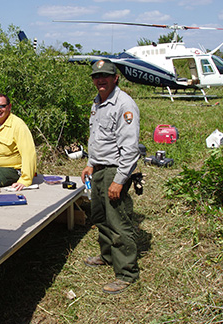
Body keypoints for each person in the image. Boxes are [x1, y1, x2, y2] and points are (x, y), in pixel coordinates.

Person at [80, 59, 141, 294]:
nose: (100, 80)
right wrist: (90, 163)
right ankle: (107, 255)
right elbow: (97, 136)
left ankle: (126, 272)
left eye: (105, 76)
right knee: (99, 215)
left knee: (118, 221)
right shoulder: (98, 102)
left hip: (115, 169)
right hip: (99, 168)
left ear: (116, 78)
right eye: (96, 76)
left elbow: (130, 149)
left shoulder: (124, 104)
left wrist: (119, 180)